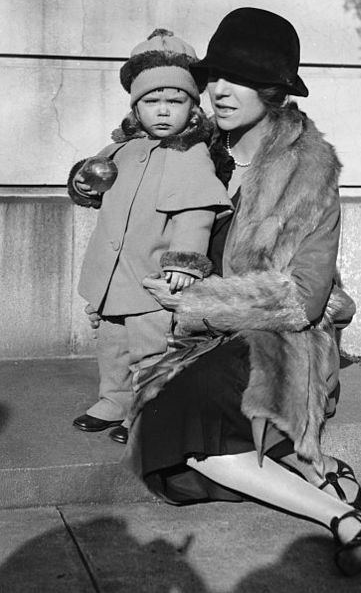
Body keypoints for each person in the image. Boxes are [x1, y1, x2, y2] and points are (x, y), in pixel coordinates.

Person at [126, 8, 361, 576]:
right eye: (213, 74)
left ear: (272, 90)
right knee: (169, 439)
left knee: (180, 415)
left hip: (280, 338)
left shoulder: (307, 168)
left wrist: (199, 304)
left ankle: (339, 517)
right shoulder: (202, 150)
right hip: (204, 340)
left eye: (236, 79)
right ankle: (326, 483)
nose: (217, 90)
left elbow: (304, 297)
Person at [68, 29, 232, 444]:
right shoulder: (122, 150)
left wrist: (184, 260)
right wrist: (83, 185)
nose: (163, 111)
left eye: (174, 101)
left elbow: (196, 210)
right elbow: (92, 177)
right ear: (136, 107)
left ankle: (147, 409)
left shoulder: (189, 154)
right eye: (151, 102)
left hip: (147, 272)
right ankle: (114, 398)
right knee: (112, 341)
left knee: (150, 348)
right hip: (111, 270)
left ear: (193, 108)